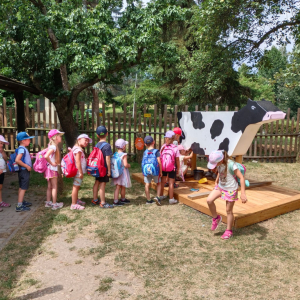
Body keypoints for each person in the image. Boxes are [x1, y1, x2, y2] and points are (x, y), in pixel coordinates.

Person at [206, 150, 247, 240]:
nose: (214, 166)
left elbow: (241, 177)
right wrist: (217, 181)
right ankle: (216, 218)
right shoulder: (220, 163)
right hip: (221, 187)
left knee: (228, 210)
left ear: (221, 160)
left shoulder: (232, 165)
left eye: (215, 164)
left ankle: (229, 231)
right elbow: (220, 172)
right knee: (209, 200)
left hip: (231, 190)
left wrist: (243, 193)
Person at [92, 126, 114, 208]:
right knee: (102, 184)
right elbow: (107, 159)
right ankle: (103, 202)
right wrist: (109, 170)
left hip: (97, 168)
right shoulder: (107, 146)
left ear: (97, 135)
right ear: (107, 134)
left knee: (97, 182)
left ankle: (95, 199)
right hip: (103, 168)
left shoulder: (97, 145)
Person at [44, 129, 64, 210]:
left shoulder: (51, 146)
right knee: (55, 186)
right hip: (52, 169)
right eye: (59, 136)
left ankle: (48, 202)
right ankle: (54, 204)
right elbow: (46, 156)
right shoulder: (53, 147)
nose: (60, 137)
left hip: (48, 169)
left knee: (49, 186)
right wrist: (52, 163)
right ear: (55, 137)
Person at [70, 134, 91, 210]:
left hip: (78, 171)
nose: (87, 142)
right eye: (85, 140)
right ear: (79, 140)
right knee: (75, 187)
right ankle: (73, 204)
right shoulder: (78, 150)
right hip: (78, 171)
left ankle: (76, 200)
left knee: (77, 186)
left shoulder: (78, 149)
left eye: (87, 141)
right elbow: (77, 162)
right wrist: (80, 172)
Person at [15, 132, 35, 212]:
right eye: (28, 139)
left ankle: (21, 201)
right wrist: (27, 166)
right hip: (24, 171)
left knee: (21, 187)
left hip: (22, 171)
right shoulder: (22, 149)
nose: (30, 140)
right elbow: (17, 160)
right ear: (23, 141)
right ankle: (19, 205)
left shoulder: (22, 148)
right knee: (23, 187)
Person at [159, 130, 180, 205]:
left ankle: (161, 195)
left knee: (162, 181)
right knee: (171, 183)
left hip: (163, 167)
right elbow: (177, 160)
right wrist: (179, 168)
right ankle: (171, 199)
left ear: (166, 138)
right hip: (171, 167)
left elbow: (160, 157)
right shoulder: (175, 148)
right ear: (173, 139)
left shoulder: (163, 146)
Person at [142, 135, 162, 205]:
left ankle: (148, 200)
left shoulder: (145, 152)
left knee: (147, 184)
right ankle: (158, 197)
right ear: (153, 142)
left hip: (146, 171)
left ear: (145, 144)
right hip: (155, 171)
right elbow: (159, 162)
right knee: (158, 183)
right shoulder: (156, 152)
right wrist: (161, 171)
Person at [111, 139, 131, 206]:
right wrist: (128, 165)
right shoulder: (124, 155)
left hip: (117, 173)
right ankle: (120, 200)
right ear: (123, 146)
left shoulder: (115, 154)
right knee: (122, 186)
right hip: (123, 173)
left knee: (118, 187)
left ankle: (118, 200)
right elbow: (125, 165)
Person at [0, 135, 10, 211]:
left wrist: (3, 152)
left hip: (2, 171)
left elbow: (6, 158)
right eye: (0, 143)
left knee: (0, 187)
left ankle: (1, 202)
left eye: (2, 144)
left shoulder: (1, 151)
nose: (1, 145)